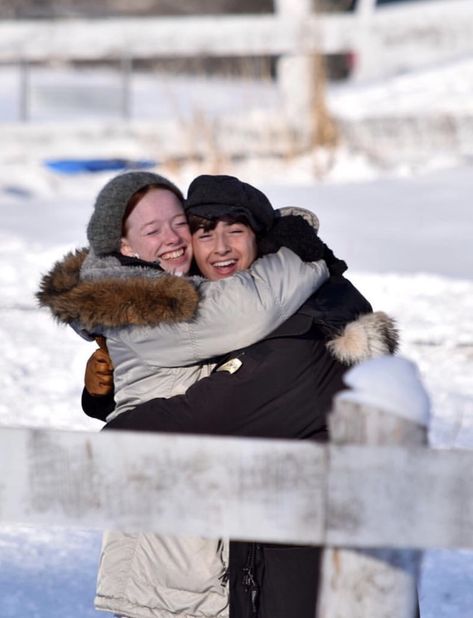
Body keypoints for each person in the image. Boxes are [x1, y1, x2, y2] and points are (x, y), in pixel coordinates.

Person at [75, 175, 399, 618]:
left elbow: (219, 408)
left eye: (236, 230)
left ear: (260, 239)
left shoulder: (303, 326)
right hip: (172, 563)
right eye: (204, 232)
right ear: (127, 247)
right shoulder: (171, 300)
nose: (219, 247)